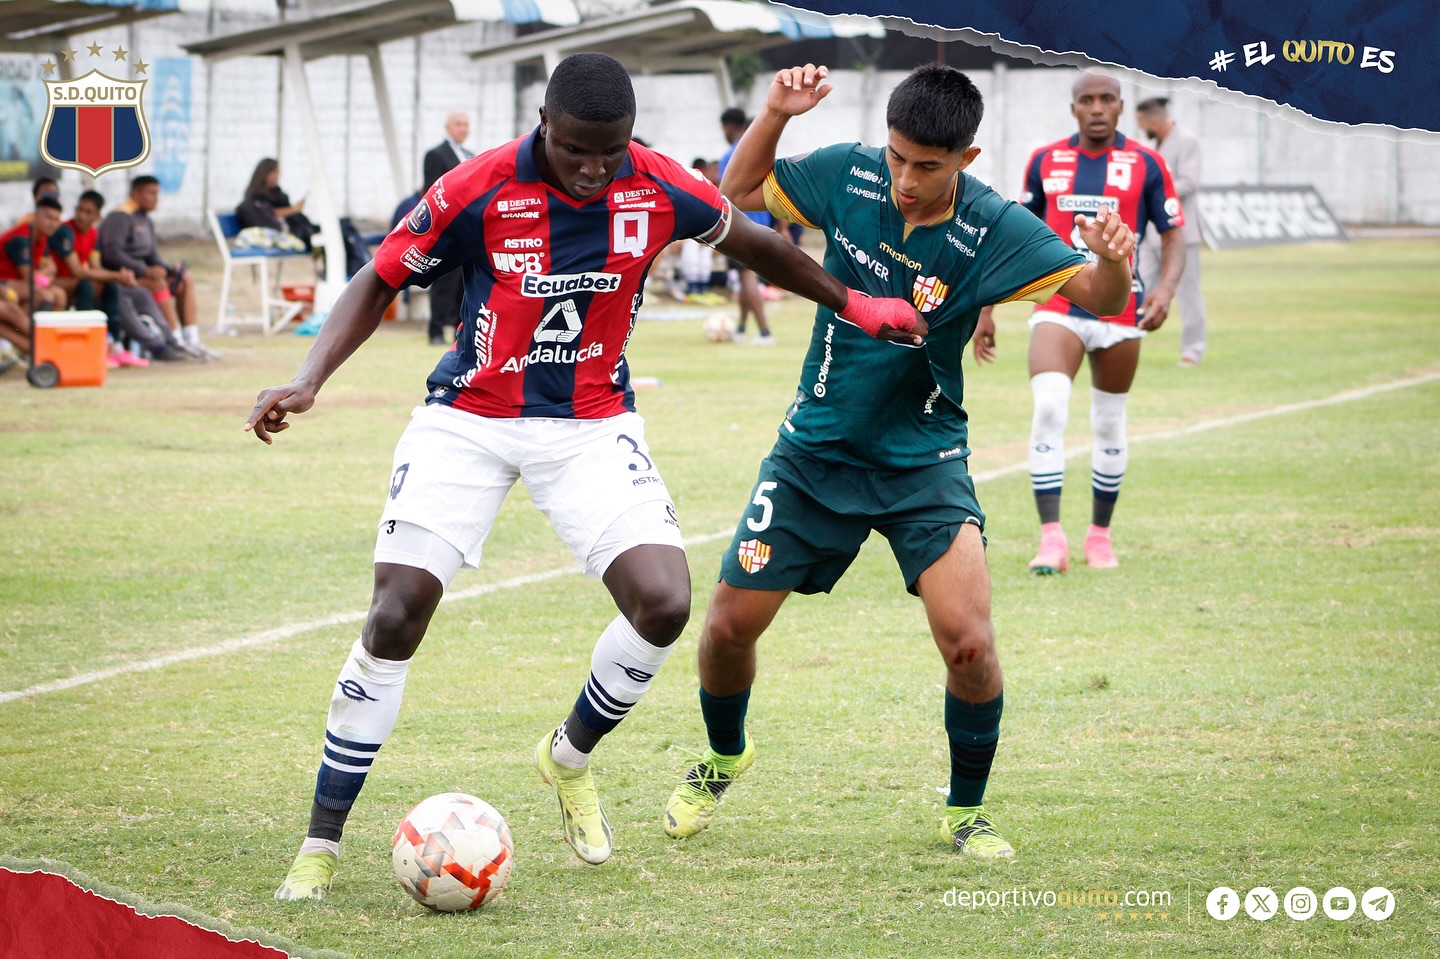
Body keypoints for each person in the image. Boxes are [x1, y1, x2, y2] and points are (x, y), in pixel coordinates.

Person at [248, 52, 921, 900]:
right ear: (544, 125)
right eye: (576, 151)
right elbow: (379, 277)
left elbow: (756, 245)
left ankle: (567, 757)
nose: (595, 169)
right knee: (395, 613)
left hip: (592, 424)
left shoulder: (659, 184)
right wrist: (309, 379)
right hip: (469, 421)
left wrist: (854, 305)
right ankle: (319, 846)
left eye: (611, 151)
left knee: (666, 602)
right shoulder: (477, 187)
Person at [663, 63, 1136, 858]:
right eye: (897, 158)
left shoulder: (994, 227)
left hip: (924, 460)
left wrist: (1115, 256)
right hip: (814, 452)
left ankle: (965, 809)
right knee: (725, 627)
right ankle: (722, 754)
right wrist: (777, 112)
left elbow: (1104, 297)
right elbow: (736, 190)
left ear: (967, 159)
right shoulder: (847, 173)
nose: (906, 180)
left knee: (970, 643)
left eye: (928, 165)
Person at [973, 72, 1184, 574]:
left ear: (1119, 107)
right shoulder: (1045, 161)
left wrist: (1165, 290)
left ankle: (1099, 536)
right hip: (1058, 304)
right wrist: (986, 307)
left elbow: (1174, 234)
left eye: (1106, 99)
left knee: (1109, 421)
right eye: (1086, 100)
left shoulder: (1147, 163)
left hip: (1122, 307)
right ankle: (1052, 540)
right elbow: (1012, 237)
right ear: (1073, 109)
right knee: (1048, 407)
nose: (1096, 108)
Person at [50, 190, 187, 365]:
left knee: (140, 293)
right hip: (67, 285)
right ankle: (152, 347)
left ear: (98, 216)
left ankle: (170, 341)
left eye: (88, 212)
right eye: (79, 210)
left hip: (89, 283)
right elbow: (78, 271)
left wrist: (123, 278)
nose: (81, 216)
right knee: (106, 290)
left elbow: (96, 267)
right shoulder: (66, 232)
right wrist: (118, 276)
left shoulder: (93, 234)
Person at [99, 175, 219, 360]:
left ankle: (192, 338)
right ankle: (175, 341)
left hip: (145, 274)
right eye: (151, 193)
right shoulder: (120, 217)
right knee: (157, 282)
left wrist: (169, 268)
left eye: (157, 193)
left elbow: (152, 255)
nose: (155, 198)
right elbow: (112, 254)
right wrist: (144, 270)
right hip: (124, 278)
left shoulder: (145, 220)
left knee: (183, 279)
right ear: (136, 193)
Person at [1135, 97, 1206, 366]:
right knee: (1137, 287)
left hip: (1182, 235)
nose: (1142, 130)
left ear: (1151, 121)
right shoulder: (1153, 146)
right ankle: (1125, 339)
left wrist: (1157, 191)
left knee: (1188, 294)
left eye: (1142, 124)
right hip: (1152, 235)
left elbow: (1189, 181)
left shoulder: (1187, 141)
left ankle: (1192, 350)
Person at [719, 109, 774, 344]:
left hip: (738, 225)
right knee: (745, 277)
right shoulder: (764, 155)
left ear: (732, 128)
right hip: (762, 223)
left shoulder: (730, 156)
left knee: (747, 276)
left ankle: (764, 332)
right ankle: (741, 328)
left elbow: (723, 195)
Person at [420, 110, 473, 345]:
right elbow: (432, 190)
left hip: (468, 229)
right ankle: (436, 329)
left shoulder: (471, 156)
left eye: (465, 125)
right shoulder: (436, 155)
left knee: (464, 282)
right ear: (448, 127)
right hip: (446, 227)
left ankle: (459, 330)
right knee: (444, 281)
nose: (462, 128)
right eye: (458, 124)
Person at [0, 197, 68, 311]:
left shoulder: (43, 237)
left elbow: (51, 271)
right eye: (48, 217)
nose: (53, 223)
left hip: (21, 283)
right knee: (43, 295)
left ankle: (50, 328)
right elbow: (30, 277)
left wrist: (42, 274)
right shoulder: (21, 238)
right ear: (35, 215)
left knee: (60, 294)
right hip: (4, 282)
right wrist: (45, 272)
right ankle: (27, 328)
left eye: (56, 219)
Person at [237, 158, 317, 250]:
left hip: (291, 231)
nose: (276, 176)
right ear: (263, 174)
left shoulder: (278, 194)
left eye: (278, 172)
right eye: (273, 172)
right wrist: (293, 209)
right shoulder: (252, 200)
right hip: (277, 233)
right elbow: (267, 215)